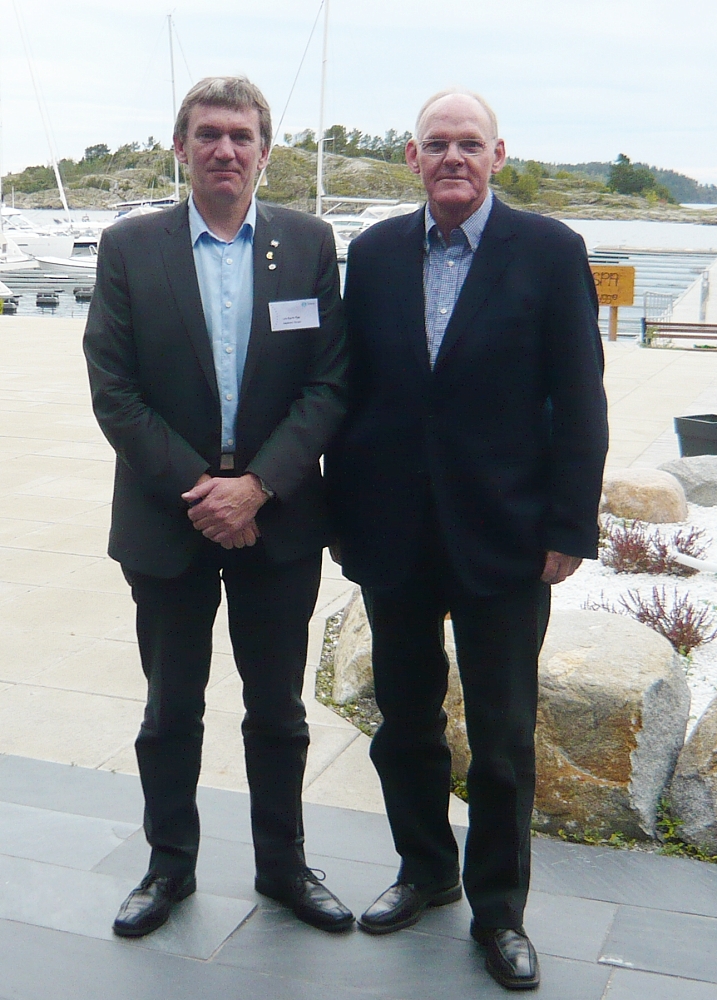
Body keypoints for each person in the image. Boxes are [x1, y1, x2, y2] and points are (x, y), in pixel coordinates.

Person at [326, 89, 608, 990]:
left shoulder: (550, 250)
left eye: (469, 144)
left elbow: (580, 398)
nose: (453, 157)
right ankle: (424, 870)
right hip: (393, 535)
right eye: (437, 144)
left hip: (505, 537)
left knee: (501, 736)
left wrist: (569, 525)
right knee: (404, 722)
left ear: (497, 155)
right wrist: (342, 515)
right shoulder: (374, 253)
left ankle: (499, 911)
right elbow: (349, 392)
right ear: (413, 158)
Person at [84, 76, 353, 938]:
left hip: (278, 516)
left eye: (241, 136)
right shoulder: (130, 247)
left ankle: (284, 866)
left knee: (277, 709)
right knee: (171, 709)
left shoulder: (307, 244)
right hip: (170, 516)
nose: (225, 150)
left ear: (264, 152)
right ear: (181, 147)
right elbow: (114, 390)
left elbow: (329, 383)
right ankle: (168, 866)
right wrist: (205, 492)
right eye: (208, 134)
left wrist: (257, 486)